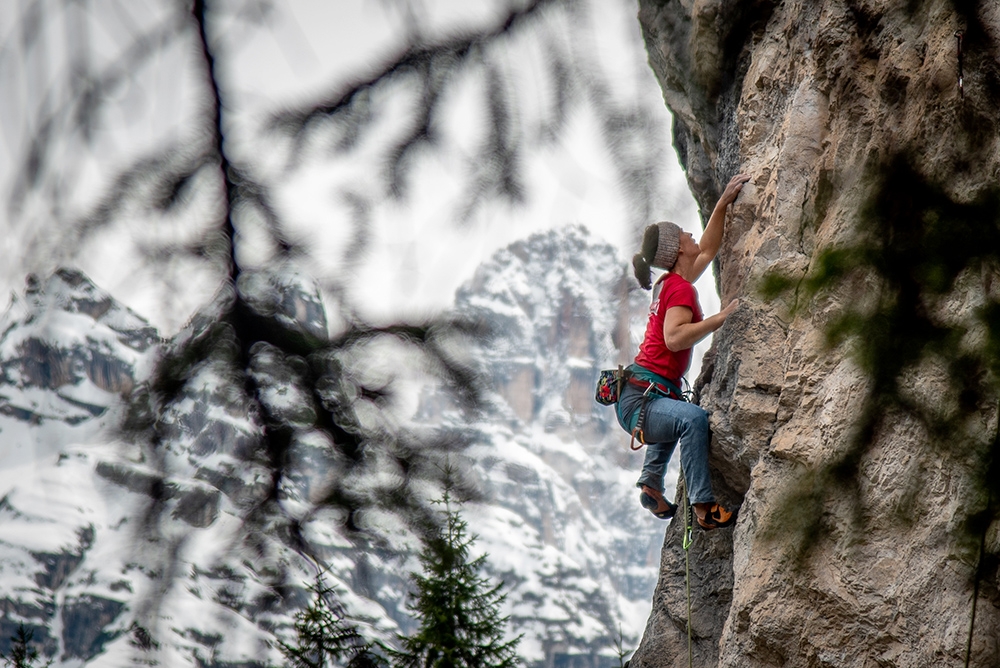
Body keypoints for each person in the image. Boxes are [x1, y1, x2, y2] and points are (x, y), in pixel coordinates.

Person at [617, 173, 750, 530]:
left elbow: (708, 248)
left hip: (643, 397)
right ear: (677, 248)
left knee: (678, 409)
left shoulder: (670, 283)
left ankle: (651, 483)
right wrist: (721, 318)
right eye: (685, 234)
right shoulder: (679, 289)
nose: (693, 235)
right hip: (642, 401)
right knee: (692, 419)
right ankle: (704, 508)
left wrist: (722, 203)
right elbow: (675, 338)